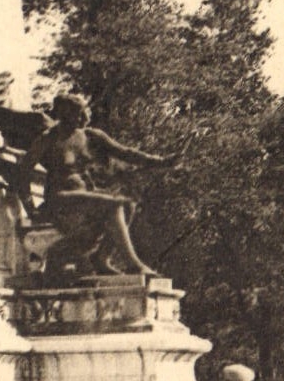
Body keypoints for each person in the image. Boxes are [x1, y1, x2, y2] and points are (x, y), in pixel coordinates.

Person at [13, 92, 180, 275]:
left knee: (128, 206)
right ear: (64, 114)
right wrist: (30, 208)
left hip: (83, 197)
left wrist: (161, 161)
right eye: (78, 113)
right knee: (113, 205)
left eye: (84, 112)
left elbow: (125, 153)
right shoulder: (49, 139)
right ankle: (134, 265)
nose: (84, 117)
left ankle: (101, 259)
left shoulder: (90, 136)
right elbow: (22, 173)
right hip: (59, 199)